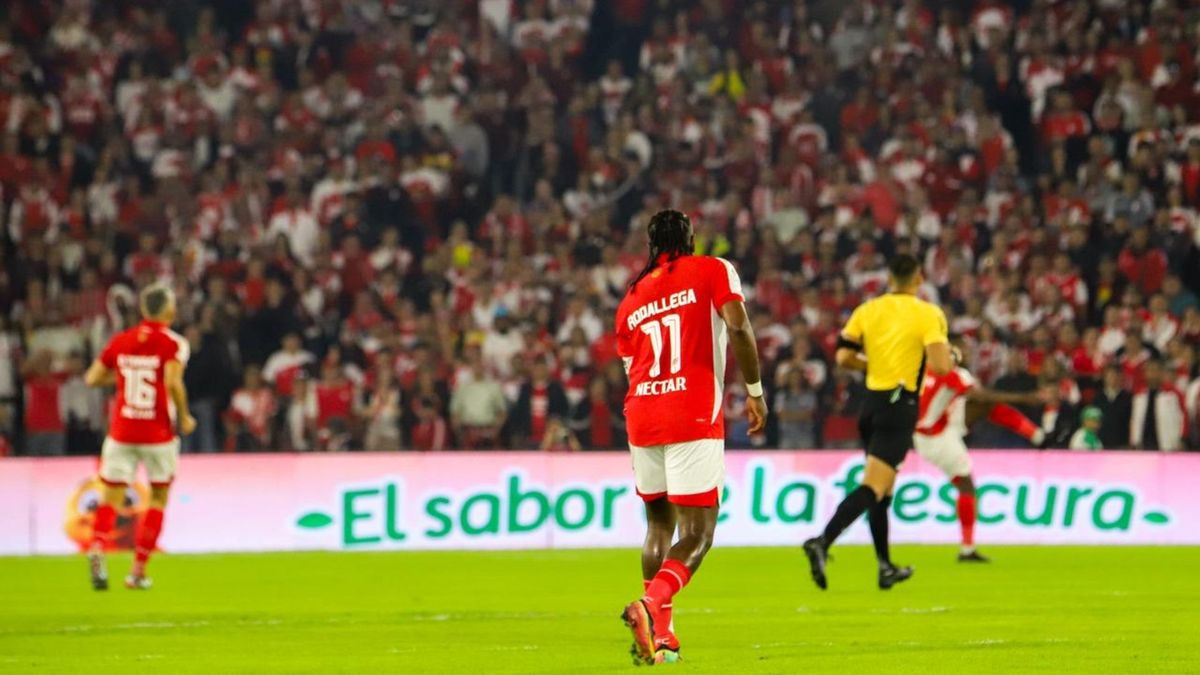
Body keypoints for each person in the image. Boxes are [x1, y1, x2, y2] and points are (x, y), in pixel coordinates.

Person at [616, 209, 766, 665]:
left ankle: (663, 637)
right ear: (690, 239)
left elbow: (630, 367)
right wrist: (755, 392)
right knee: (698, 532)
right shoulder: (712, 270)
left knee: (658, 526)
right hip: (691, 413)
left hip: (642, 414)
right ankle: (650, 604)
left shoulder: (632, 297)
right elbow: (737, 325)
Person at [803, 254, 952, 591]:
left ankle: (885, 566)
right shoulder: (928, 313)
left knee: (883, 493)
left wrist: (871, 366)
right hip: (900, 407)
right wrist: (950, 355)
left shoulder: (867, 310)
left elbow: (842, 356)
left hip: (871, 405)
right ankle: (822, 541)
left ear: (889, 277)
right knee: (874, 487)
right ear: (918, 279)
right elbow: (942, 367)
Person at [83, 284, 195, 590]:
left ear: (144, 310)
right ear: (169, 310)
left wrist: (121, 378)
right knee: (158, 498)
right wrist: (184, 416)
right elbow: (173, 382)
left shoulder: (121, 341)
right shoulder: (174, 344)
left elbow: (92, 378)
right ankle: (138, 571)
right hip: (158, 434)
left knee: (111, 496)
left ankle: (96, 547)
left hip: (122, 431)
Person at [913, 339, 1047, 562]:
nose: (960, 353)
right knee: (966, 485)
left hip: (940, 426)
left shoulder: (930, 370)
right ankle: (967, 550)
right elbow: (980, 395)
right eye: (955, 351)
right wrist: (1024, 398)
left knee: (988, 408)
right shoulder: (951, 374)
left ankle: (1037, 435)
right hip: (936, 436)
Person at [1130, 359, 1187, 451]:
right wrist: (1134, 440)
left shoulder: (1173, 393)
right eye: (1149, 370)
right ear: (1145, 374)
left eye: (1156, 370)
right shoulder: (1139, 396)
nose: (1152, 374)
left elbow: (1184, 416)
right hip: (1143, 445)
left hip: (1167, 445)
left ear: (1162, 373)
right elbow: (1134, 420)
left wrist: (1182, 439)